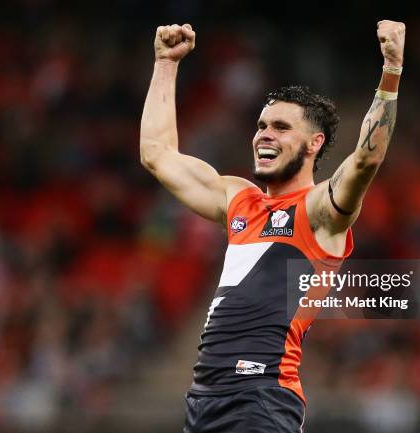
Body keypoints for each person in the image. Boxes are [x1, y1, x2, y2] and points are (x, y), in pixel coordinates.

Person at [140, 20, 405, 433]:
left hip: (262, 396)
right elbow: (157, 153)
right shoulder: (238, 199)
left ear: (313, 144)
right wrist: (165, 63)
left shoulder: (321, 211)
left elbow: (366, 160)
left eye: (281, 128)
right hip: (204, 398)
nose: (265, 135)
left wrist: (391, 71)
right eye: (262, 125)